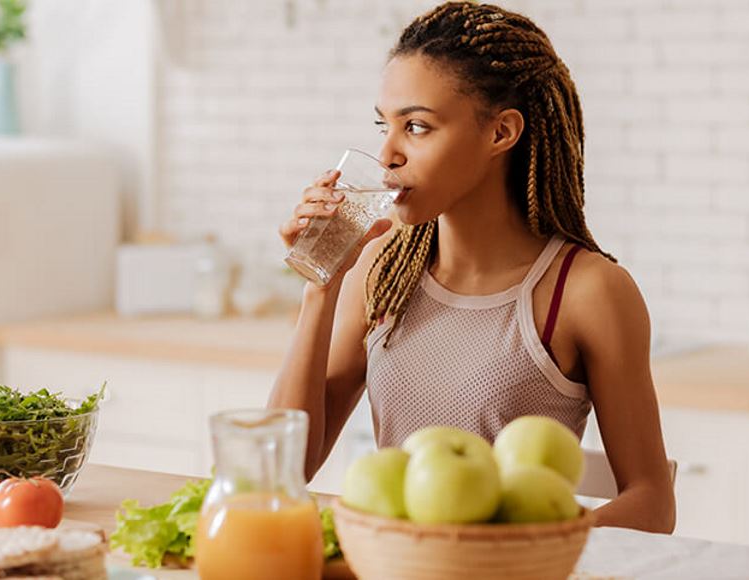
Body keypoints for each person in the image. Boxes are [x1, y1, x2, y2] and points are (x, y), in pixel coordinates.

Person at [269, 1, 675, 533]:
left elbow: (651, 502)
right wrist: (321, 284)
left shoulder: (587, 291)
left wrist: (515, 549)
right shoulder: (379, 269)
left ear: (501, 133)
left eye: (416, 126)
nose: (387, 152)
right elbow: (281, 471)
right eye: (382, 125)